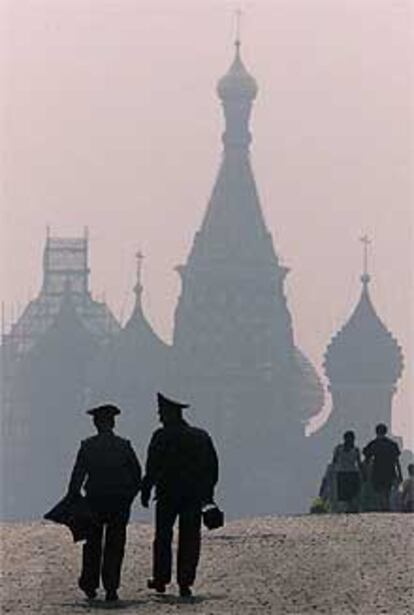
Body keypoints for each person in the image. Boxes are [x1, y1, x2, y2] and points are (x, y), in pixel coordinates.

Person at [141, 393, 219, 598]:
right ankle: (185, 581)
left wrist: (146, 489)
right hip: (193, 496)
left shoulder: (160, 436)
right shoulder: (200, 436)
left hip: (167, 495)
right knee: (190, 538)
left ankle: (160, 579)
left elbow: (152, 467)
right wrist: (208, 496)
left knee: (163, 538)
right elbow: (211, 468)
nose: (159, 417)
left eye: (161, 413)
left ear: (169, 413)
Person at [67, 404, 142, 602]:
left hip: (94, 501)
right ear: (113, 422)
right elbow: (137, 475)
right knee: (115, 544)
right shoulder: (124, 446)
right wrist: (129, 496)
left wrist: (73, 497)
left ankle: (89, 584)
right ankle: (111, 586)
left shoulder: (88, 446)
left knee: (92, 544)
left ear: (96, 423)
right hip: (119, 502)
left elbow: (78, 476)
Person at [362, 423, 402, 512]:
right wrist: (400, 474)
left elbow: (366, 458)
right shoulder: (392, 444)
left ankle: (382, 507)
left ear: (376, 432)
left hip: (377, 471)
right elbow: (396, 461)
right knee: (387, 490)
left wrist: (364, 473)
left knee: (379, 491)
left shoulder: (373, 444)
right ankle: (385, 506)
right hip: (389, 471)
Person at [332, 431, 363, 513]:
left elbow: (334, 461)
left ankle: (346, 509)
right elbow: (359, 463)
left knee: (344, 494)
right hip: (351, 473)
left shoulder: (339, 449)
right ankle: (350, 508)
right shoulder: (355, 450)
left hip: (342, 473)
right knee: (351, 493)